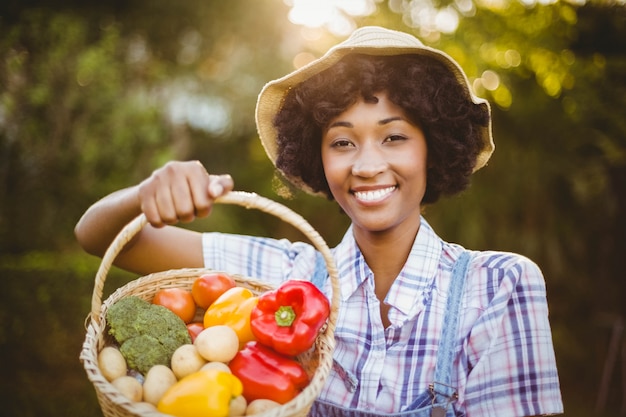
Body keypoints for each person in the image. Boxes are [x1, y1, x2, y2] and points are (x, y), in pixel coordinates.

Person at [75, 26, 563, 417]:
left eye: (394, 137)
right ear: (318, 158)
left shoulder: (498, 285)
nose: (367, 165)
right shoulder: (285, 279)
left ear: (433, 149)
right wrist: (146, 194)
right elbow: (96, 235)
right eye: (342, 142)